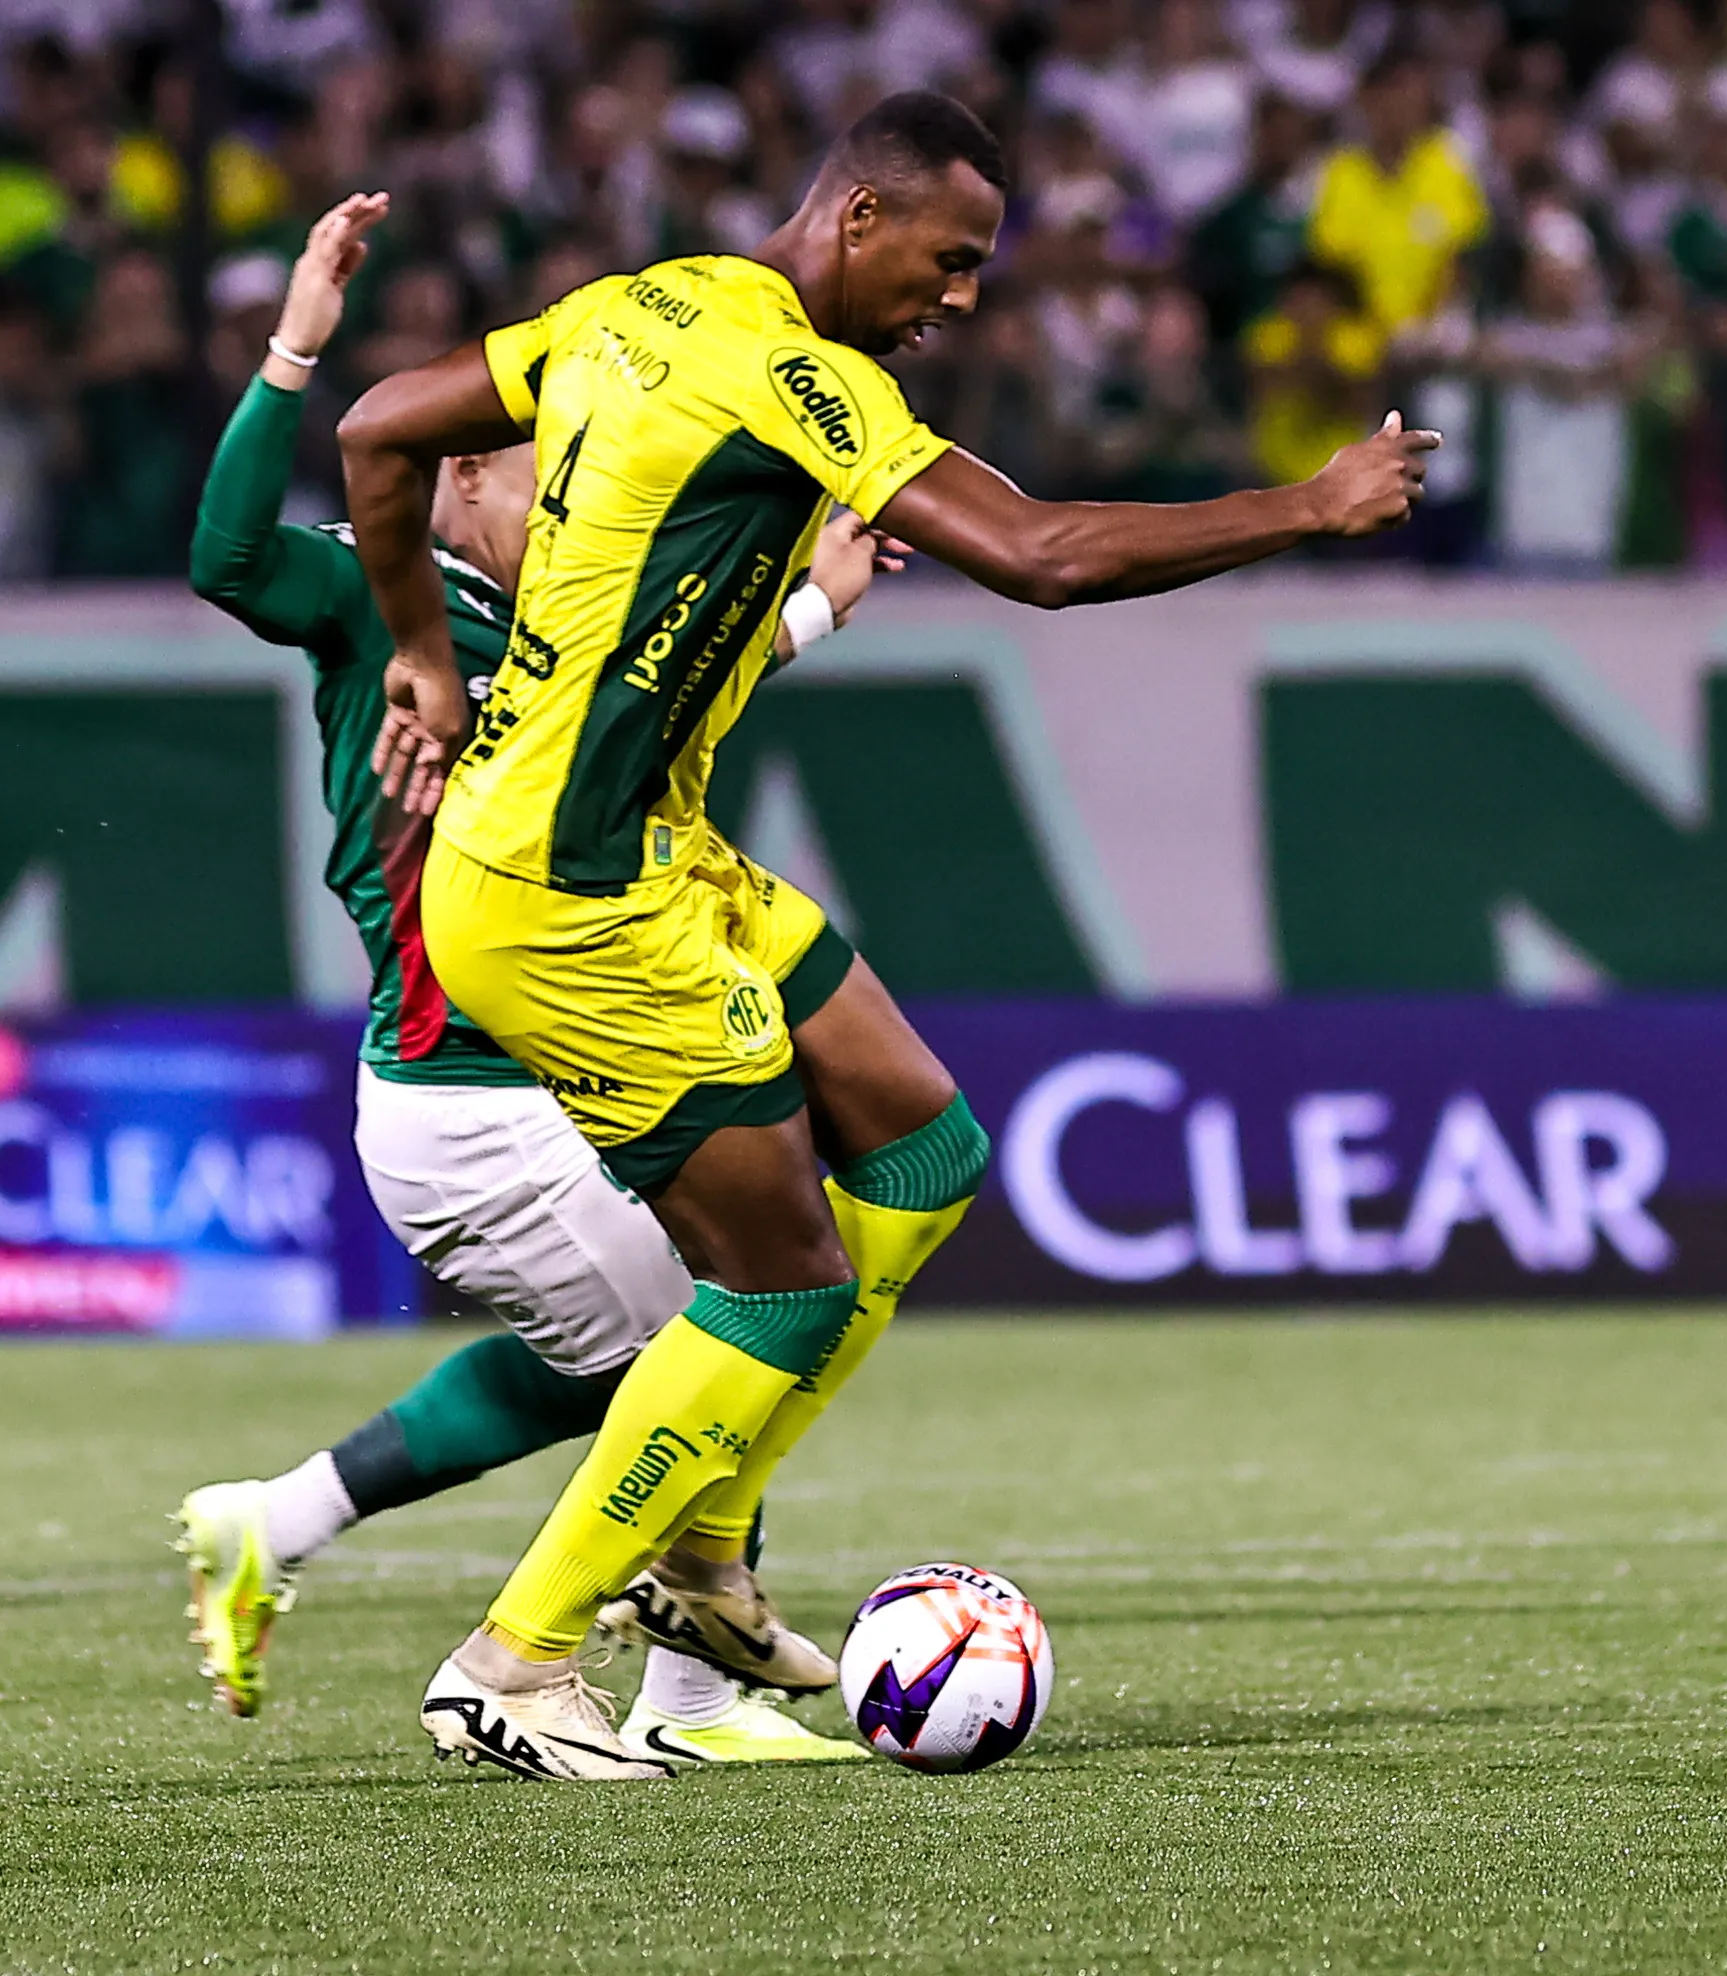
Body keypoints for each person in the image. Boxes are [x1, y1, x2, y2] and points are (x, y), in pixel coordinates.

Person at [338, 89, 1428, 1779]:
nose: (963, 295)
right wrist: (1307, 503)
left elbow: (383, 426)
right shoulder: (806, 379)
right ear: (856, 217)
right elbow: (1044, 555)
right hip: (567, 897)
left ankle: (699, 1565)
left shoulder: (637, 304)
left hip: (639, 850)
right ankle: (515, 1658)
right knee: (776, 1282)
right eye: (952, 256)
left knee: (920, 1146)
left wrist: (422, 642)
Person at [173, 194, 895, 1766]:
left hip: (543, 1059)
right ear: (465, 472)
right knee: (743, 1307)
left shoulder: (572, 620)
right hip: (465, 1083)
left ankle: (280, 1520)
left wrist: (820, 600)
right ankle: (629, 1685)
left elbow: (684, 679)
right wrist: (300, 337)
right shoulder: (388, 599)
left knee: (681, 1328)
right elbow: (225, 553)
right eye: (541, 466)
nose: (573, 488)